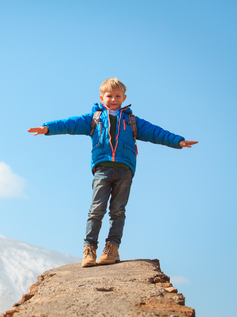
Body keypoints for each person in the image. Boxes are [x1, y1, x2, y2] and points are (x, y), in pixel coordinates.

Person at [28, 78, 198, 268]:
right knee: (96, 209)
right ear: (102, 97)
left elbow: (155, 132)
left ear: (124, 98)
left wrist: (178, 141)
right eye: (109, 96)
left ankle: (112, 249)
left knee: (118, 211)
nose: (113, 99)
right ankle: (89, 249)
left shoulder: (132, 120)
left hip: (125, 170)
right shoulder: (93, 119)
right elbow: (69, 124)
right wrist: (47, 128)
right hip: (102, 168)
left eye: (118, 96)